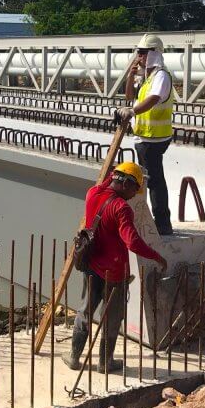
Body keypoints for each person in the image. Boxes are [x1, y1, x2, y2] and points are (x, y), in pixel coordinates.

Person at [62, 162, 168, 373]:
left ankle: (74, 357)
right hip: (115, 273)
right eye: (133, 189)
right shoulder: (121, 208)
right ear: (126, 183)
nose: (133, 195)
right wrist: (156, 256)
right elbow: (132, 242)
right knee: (112, 317)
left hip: (92, 267)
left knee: (85, 310)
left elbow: (106, 182)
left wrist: (114, 173)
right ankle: (105, 362)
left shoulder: (92, 194)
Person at [116, 33, 174, 235]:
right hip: (145, 137)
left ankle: (162, 225)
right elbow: (130, 96)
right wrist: (131, 76)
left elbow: (154, 99)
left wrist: (132, 111)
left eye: (142, 52)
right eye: (137, 52)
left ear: (153, 54)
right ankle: (155, 221)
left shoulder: (161, 77)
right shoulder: (147, 78)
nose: (138, 56)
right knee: (150, 179)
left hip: (155, 138)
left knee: (155, 181)